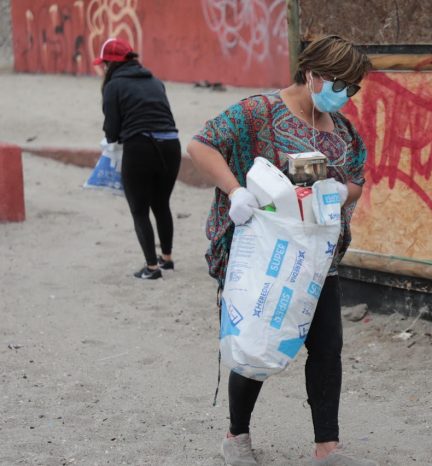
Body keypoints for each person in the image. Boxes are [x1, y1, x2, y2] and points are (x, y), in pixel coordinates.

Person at [187, 35, 375, 465]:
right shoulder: (258, 113)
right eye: (340, 85)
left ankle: (328, 447)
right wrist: (235, 192)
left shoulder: (342, 130)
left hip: (317, 263)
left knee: (327, 347)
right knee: (256, 344)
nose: (345, 96)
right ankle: (237, 436)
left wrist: (335, 191)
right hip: (264, 263)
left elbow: (357, 181)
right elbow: (200, 145)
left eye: (352, 89)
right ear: (312, 75)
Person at [95, 38, 181, 280]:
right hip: (171, 146)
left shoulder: (113, 87)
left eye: (104, 64)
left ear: (110, 64)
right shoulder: (155, 81)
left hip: (140, 148)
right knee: (161, 204)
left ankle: (151, 268)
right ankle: (167, 259)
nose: (102, 68)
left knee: (139, 209)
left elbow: (111, 131)